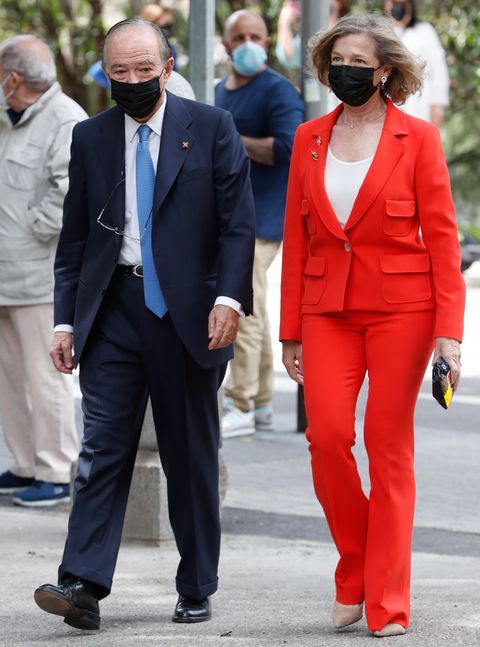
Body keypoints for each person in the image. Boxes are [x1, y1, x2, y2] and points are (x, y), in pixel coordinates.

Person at [33, 18, 255, 630]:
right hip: (113, 314)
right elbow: (74, 238)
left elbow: (238, 226)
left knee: (190, 454)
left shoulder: (211, 128)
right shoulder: (91, 136)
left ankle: (196, 583)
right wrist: (64, 322)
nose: (131, 81)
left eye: (143, 69)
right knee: (102, 449)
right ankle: (81, 583)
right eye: (118, 72)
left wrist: (230, 301)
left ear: (168, 67)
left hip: (192, 317)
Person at [280, 13, 465, 638]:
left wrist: (450, 331)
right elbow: (298, 241)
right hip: (325, 311)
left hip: (403, 313)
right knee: (326, 438)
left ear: (384, 69)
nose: (344, 70)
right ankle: (355, 565)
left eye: (356, 61)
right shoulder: (308, 137)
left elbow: (442, 239)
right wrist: (290, 331)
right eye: (335, 61)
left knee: (388, 448)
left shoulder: (419, 139)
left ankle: (387, 600)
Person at [0, 36, 86, 506]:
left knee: (45, 375)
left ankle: (54, 470)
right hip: (5, 276)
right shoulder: (9, 120)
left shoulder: (64, 118)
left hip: (38, 275)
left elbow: (69, 194)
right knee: (11, 378)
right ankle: (24, 464)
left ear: (13, 77)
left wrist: (29, 228)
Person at [216, 9, 304, 437]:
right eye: (239, 36)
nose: (248, 42)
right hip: (229, 216)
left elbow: (291, 149)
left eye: (256, 35)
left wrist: (229, 138)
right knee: (255, 308)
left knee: (240, 306)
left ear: (268, 42)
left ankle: (241, 403)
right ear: (226, 42)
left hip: (265, 217)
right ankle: (264, 402)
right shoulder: (218, 91)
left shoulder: (278, 91)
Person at [384, 0, 449, 125]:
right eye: (394, 2)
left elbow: (438, 69)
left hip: (419, 104)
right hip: (387, 105)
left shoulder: (425, 31)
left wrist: (437, 106)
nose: (398, 7)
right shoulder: (379, 32)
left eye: (402, 3)